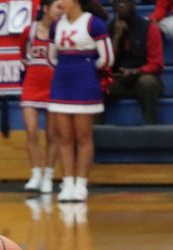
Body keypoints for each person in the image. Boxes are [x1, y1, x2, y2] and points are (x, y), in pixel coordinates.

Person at [48, 0, 113, 202]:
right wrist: (66, 70)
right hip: (61, 83)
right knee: (64, 137)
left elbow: (107, 58)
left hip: (85, 84)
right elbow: (51, 58)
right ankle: (67, 183)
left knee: (83, 137)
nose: (59, 2)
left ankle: (81, 184)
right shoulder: (56, 25)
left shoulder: (94, 23)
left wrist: (85, 68)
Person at [20, 0, 63, 194]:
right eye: (58, 7)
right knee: (31, 131)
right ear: (46, 9)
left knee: (52, 134)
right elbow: (23, 55)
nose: (61, 11)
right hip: (31, 85)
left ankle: (48, 175)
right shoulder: (29, 31)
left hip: (53, 87)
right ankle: (35, 173)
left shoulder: (61, 32)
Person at [109, 0, 164, 125]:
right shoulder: (108, 28)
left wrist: (137, 71)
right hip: (118, 78)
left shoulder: (149, 27)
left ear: (134, 3)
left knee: (147, 83)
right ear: (113, 5)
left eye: (125, 2)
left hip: (143, 76)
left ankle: (151, 127)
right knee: (98, 84)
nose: (121, 5)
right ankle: (96, 134)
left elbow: (157, 64)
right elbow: (106, 63)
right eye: (118, 2)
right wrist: (116, 37)